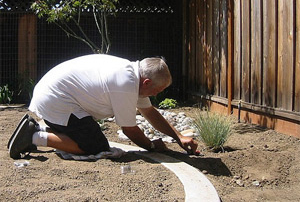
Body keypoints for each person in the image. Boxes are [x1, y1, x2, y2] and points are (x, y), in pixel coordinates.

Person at [8, 54, 199, 159]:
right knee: (94, 146)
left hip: (55, 97)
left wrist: (179, 137)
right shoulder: (125, 84)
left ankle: (40, 128)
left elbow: (149, 112)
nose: (156, 95)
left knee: (90, 136)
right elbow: (130, 129)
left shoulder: (132, 76)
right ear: (147, 82)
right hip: (57, 101)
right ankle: (33, 137)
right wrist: (151, 145)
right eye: (157, 90)